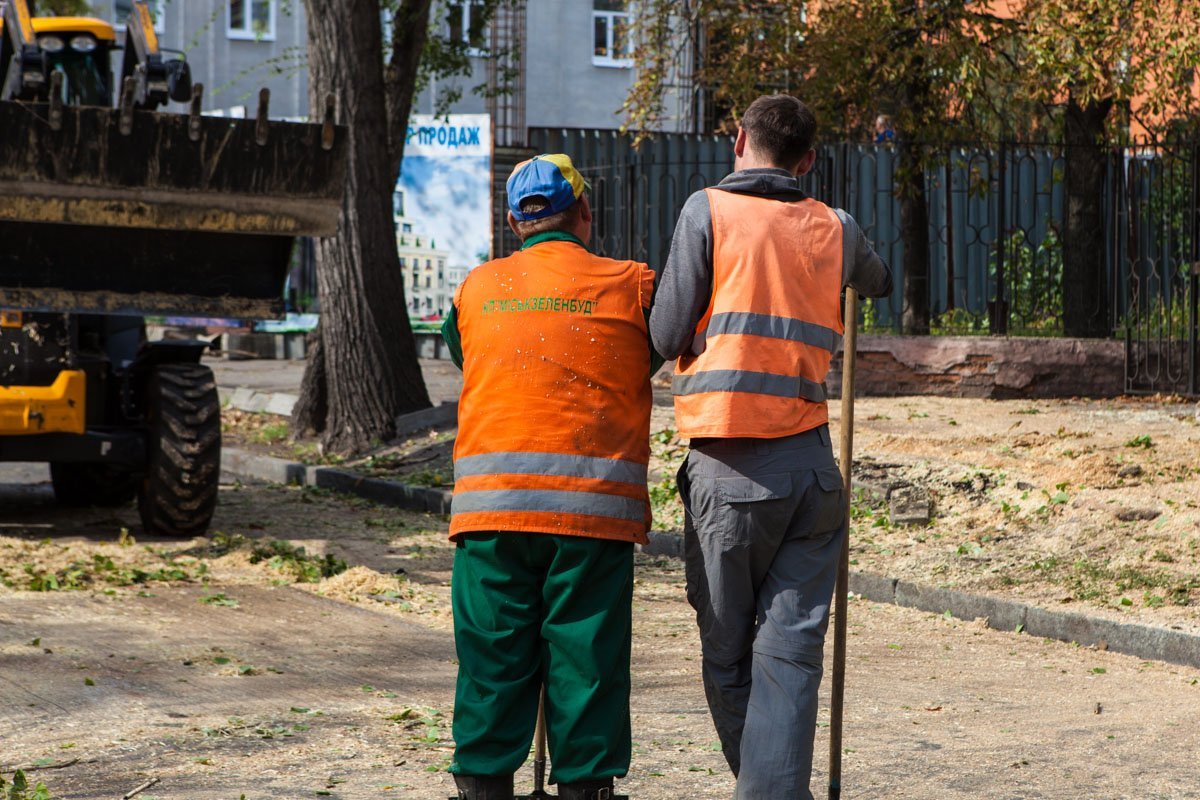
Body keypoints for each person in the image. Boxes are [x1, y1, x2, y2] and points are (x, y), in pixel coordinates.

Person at [648, 95, 893, 799]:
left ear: (737, 142)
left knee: (729, 657)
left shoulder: (708, 212)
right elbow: (875, 280)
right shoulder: (835, 226)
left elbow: (666, 336)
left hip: (728, 473)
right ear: (809, 161)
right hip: (812, 475)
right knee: (790, 658)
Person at [441, 153, 661, 800]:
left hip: (490, 516)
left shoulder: (475, 289)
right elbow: (642, 359)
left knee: (491, 666)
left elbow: (468, 357)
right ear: (585, 213)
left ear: (515, 223)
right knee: (585, 666)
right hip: (593, 516)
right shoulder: (632, 285)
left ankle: (481, 787)